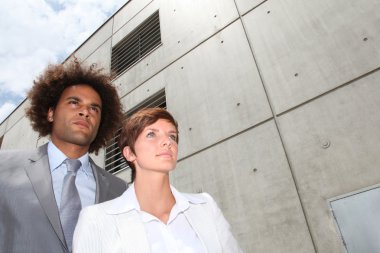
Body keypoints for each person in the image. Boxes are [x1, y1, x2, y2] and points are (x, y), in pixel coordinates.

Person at [73, 107, 243, 252]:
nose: (167, 142)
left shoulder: (206, 207)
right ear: (130, 153)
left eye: (172, 136)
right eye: (151, 134)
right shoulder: (96, 219)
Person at [0, 60, 127, 253]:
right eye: (74, 102)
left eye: (94, 108)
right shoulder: (3, 166)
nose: (85, 112)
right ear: (51, 113)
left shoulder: (121, 191)